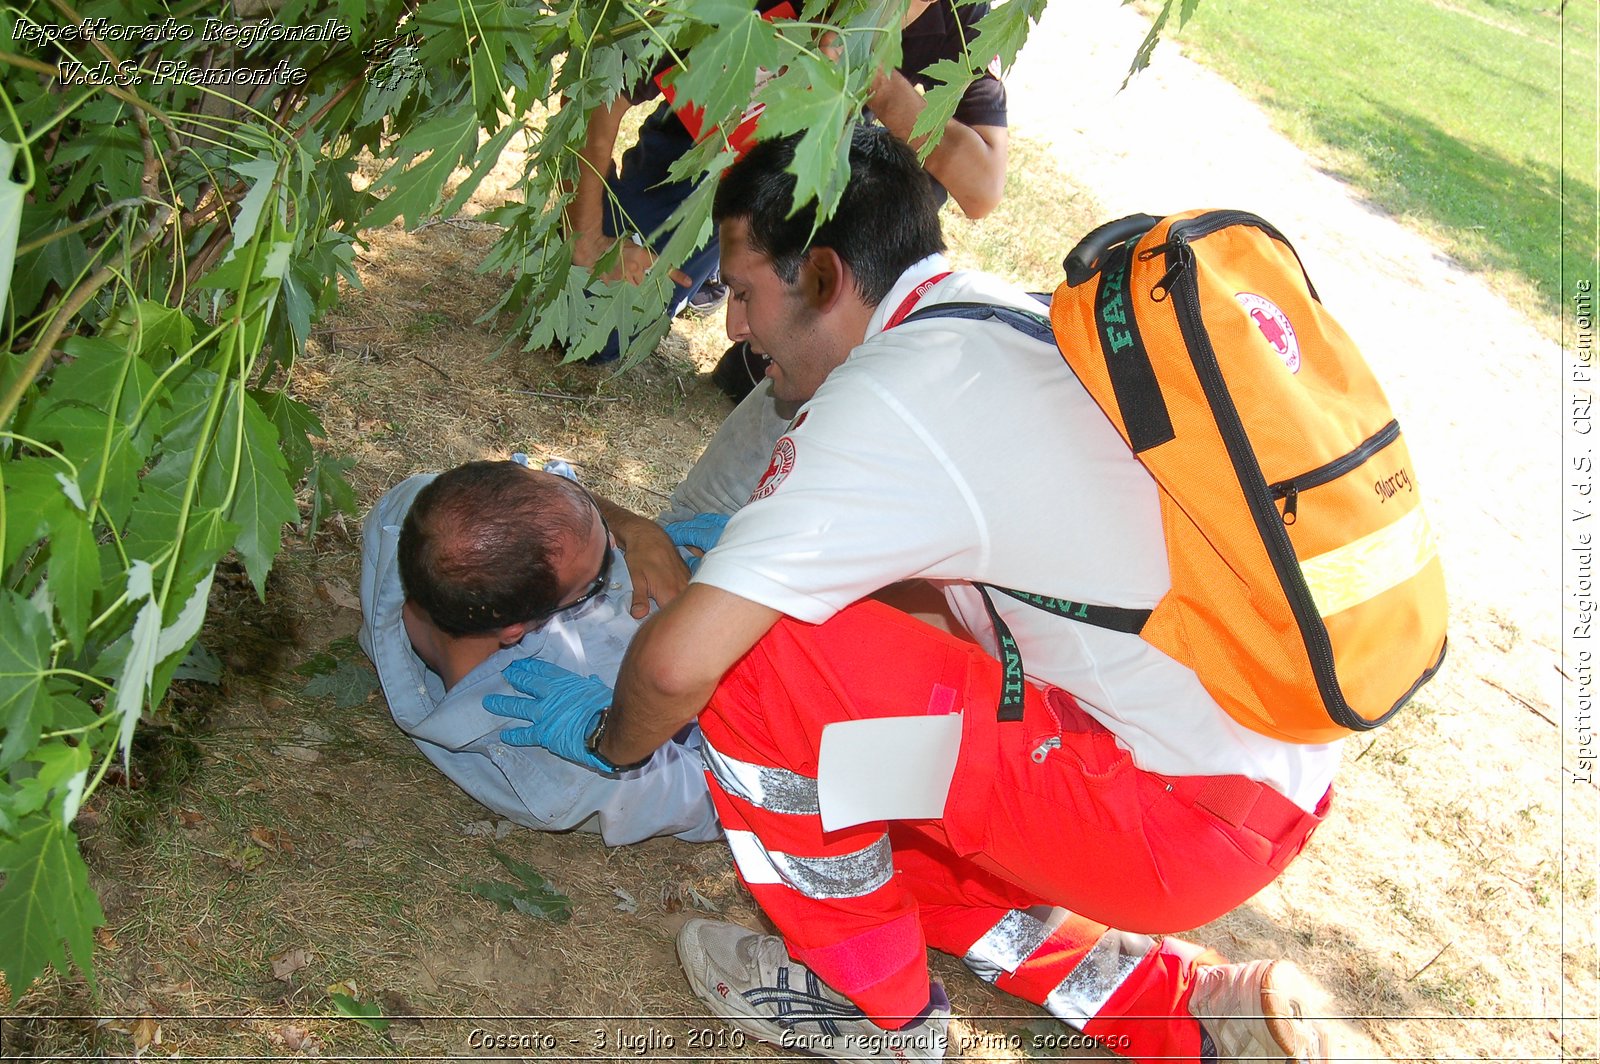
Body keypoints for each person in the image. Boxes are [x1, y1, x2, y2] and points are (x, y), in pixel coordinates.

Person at [489, 126, 1338, 1064]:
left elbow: (685, 659)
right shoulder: (993, 318)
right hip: (1256, 784)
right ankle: (1181, 1011)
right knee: (884, 796)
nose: (732, 328)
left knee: (756, 656)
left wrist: (611, 741)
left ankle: (873, 1009)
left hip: (1168, 815)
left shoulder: (885, 401)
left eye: (742, 294)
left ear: (821, 277)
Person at [570, 0, 1009, 364]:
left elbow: (982, 190)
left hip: (806, 189)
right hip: (702, 153)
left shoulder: (961, 14)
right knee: (591, 328)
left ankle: (771, 293)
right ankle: (723, 274)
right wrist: (588, 235)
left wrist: (878, 82)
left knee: (789, 371)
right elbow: (606, 87)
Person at [357, 459, 720, 846]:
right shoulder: (557, 768)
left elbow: (547, 500)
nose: (615, 547)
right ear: (518, 629)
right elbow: (728, 801)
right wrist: (618, 734)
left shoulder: (424, 516)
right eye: (597, 578)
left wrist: (640, 531)